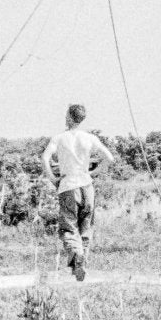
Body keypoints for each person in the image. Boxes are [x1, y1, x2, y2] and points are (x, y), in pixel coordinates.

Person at [41, 102, 114, 282]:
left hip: (68, 184)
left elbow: (45, 158)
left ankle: (77, 255)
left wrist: (52, 178)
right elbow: (109, 158)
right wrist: (93, 173)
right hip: (86, 185)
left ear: (68, 116)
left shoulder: (59, 138)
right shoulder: (89, 138)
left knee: (69, 226)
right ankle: (80, 266)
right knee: (86, 226)